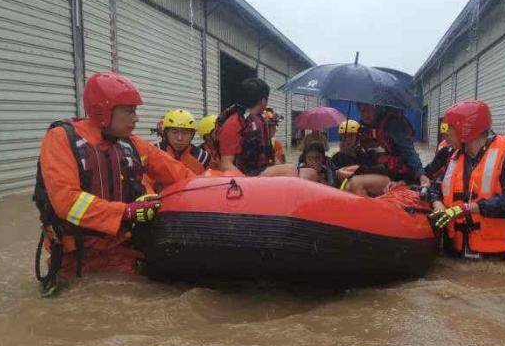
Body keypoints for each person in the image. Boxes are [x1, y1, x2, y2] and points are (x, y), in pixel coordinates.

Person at [34, 72, 195, 295]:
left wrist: (224, 185)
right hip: (76, 259)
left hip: (122, 250)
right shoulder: (61, 139)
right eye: (129, 111)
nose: (136, 118)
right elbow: (67, 202)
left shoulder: (131, 145)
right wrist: (126, 212)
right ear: (105, 111)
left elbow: (180, 174)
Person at [429, 100, 505, 261]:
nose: (445, 136)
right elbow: (435, 187)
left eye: (449, 130)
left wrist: (467, 208)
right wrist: (438, 204)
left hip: (502, 257)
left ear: (466, 131)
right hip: (459, 252)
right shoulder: (452, 156)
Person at [215, 78, 316, 180]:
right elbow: (225, 165)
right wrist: (248, 184)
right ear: (263, 101)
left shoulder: (260, 120)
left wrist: (280, 167)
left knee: (311, 173)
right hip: (248, 177)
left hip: (262, 170)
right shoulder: (233, 123)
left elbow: (269, 154)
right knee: (290, 170)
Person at [340, 103, 429, 197]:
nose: (365, 114)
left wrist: (421, 174)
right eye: (362, 111)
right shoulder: (373, 125)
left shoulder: (393, 124)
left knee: (355, 183)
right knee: (349, 185)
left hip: (403, 176)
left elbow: (409, 151)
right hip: (389, 170)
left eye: (367, 109)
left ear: (376, 108)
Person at [158, 109, 212, 175]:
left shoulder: (202, 158)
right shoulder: (155, 152)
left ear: (192, 135)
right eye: (174, 132)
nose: (179, 138)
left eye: (185, 133)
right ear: (166, 133)